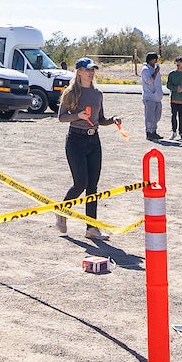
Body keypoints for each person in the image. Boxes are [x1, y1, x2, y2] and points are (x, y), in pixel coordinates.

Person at [57, 58, 124, 234]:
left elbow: (100, 119)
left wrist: (112, 120)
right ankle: (62, 211)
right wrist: (77, 115)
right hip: (76, 140)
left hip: (94, 141)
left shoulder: (97, 93)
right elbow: (61, 117)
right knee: (80, 183)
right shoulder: (71, 92)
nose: (91, 72)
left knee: (93, 186)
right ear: (79, 71)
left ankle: (91, 228)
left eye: (93, 69)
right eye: (88, 70)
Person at [140, 53, 165, 143]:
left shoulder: (155, 68)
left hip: (157, 96)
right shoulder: (145, 70)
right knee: (149, 116)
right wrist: (156, 72)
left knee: (157, 116)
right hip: (149, 96)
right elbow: (149, 81)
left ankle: (154, 131)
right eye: (155, 59)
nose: (156, 61)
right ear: (151, 60)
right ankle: (149, 132)